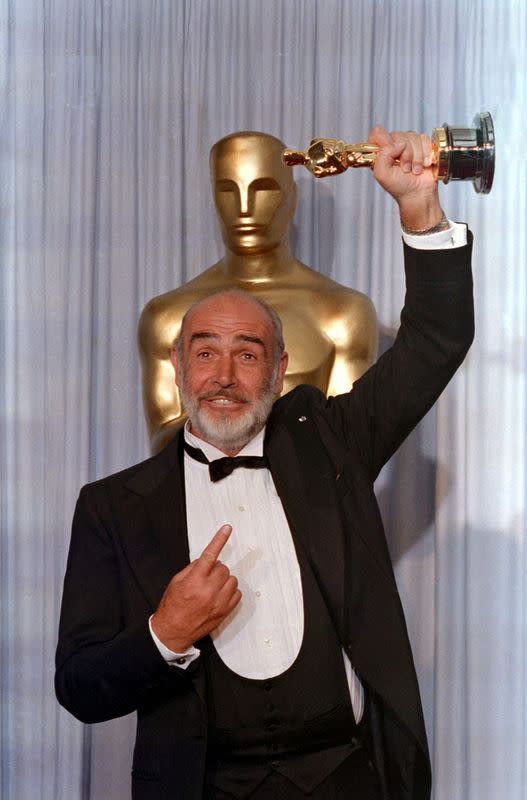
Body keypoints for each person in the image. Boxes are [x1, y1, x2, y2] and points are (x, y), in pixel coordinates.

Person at [55, 125, 474, 800]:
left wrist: (417, 208)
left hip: (348, 779)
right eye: (204, 351)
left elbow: (435, 340)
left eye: (247, 354)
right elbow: (79, 687)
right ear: (175, 366)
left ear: (278, 373)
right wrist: (163, 634)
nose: (223, 374)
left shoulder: (331, 447)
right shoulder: (110, 506)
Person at [138, 131, 378, 454]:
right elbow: (161, 453)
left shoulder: (342, 314)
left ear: (291, 198)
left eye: (263, 189)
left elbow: (348, 450)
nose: (244, 208)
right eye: (227, 190)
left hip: (301, 502)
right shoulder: (166, 317)